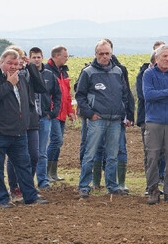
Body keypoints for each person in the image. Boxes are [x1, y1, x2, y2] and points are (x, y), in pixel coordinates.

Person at [0, 48, 48, 208]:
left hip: (18, 131)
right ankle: (2, 199)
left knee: (24, 165)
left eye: (16, 63)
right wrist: (8, 84)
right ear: (1, 62)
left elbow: (30, 97)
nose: (13, 66)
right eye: (9, 63)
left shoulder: (21, 77)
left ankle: (30, 196)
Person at [75, 40, 134, 198]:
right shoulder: (88, 72)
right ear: (96, 54)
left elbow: (124, 94)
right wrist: (90, 114)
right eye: (101, 53)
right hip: (97, 120)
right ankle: (84, 186)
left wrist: (125, 113)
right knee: (90, 154)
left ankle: (112, 186)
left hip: (115, 120)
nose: (104, 56)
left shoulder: (118, 72)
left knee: (112, 155)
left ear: (111, 53)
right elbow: (80, 96)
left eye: (107, 53)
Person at [141, 46, 168, 204]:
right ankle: (153, 189)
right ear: (157, 58)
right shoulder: (149, 74)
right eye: (164, 56)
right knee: (152, 157)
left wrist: (161, 95)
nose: (167, 59)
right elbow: (149, 95)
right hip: (154, 121)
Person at [29, 47, 61, 189]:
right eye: (33, 57)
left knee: (42, 152)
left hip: (44, 118)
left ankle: (43, 181)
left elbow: (58, 94)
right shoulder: (26, 74)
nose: (36, 60)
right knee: (30, 152)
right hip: (29, 119)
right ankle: (27, 181)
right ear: (29, 58)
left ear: (42, 57)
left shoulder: (49, 75)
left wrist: (53, 112)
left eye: (38, 57)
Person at [45, 46, 72, 183]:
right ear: (56, 56)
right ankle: (46, 172)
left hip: (62, 113)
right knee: (56, 140)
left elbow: (66, 94)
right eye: (64, 56)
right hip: (53, 113)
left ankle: (53, 173)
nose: (66, 58)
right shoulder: (46, 71)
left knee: (58, 142)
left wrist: (70, 111)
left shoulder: (63, 72)